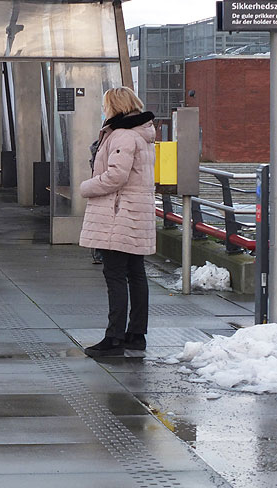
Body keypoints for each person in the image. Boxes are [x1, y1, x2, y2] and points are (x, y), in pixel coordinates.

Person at [79, 87, 155, 357]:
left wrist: (87, 187)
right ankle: (136, 334)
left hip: (119, 215)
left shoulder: (122, 135)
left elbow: (116, 176)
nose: (104, 110)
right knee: (135, 274)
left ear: (114, 106)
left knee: (115, 276)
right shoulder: (142, 134)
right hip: (135, 213)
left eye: (105, 105)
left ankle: (114, 338)